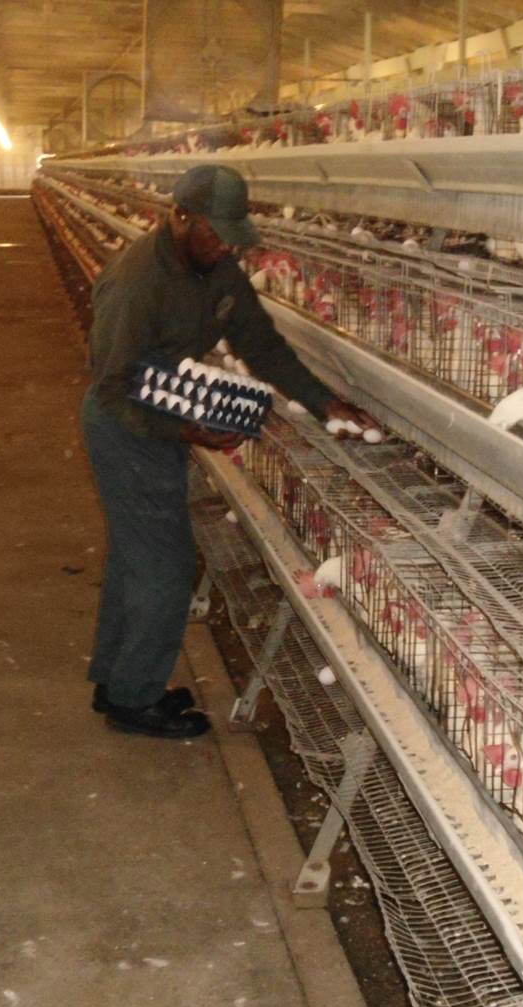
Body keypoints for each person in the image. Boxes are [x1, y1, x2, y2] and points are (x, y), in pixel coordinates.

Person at [81, 163, 377, 739]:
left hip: (160, 420)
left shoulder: (215, 267)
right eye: (213, 233)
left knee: (135, 561)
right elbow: (112, 387)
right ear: (180, 216)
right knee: (166, 570)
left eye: (230, 234)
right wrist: (189, 431)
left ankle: (119, 683)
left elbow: (259, 342)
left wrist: (323, 402)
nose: (223, 246)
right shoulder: (140, 281)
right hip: (125, 428)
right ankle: (134, 702)